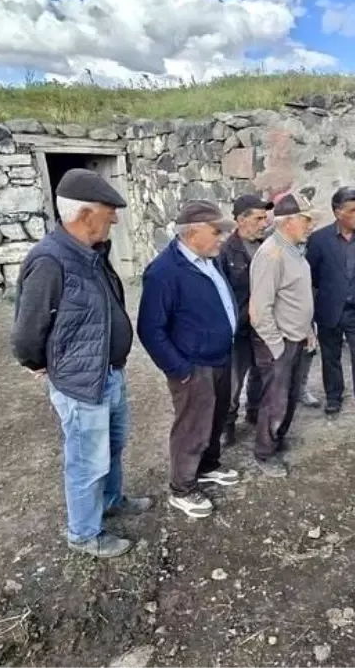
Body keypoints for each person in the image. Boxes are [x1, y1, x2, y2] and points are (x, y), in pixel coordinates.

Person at [10, 168, 148, 559]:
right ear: (86, 214)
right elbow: (26, 332)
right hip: (80, 381)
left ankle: (111, 500)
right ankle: (84, 533)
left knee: (113, 445)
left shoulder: (91, 254)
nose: (115, 219)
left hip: (108, 372)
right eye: (109, 211)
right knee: (87, 460)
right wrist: (38, 363)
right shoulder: (50, 261)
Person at [138, 200, 242, 519]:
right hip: (193, 364)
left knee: (216, 417)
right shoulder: (164, 272)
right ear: (193, 232)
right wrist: (179, 368)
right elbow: (150, 329)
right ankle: (182, 488)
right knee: (192, 426)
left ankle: (207, 466)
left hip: (220, 356)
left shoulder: (210, 259)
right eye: (216, 231)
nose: (223, 237)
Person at [249, 192, 318, 478]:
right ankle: (264, 453)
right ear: (289, 222)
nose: (311, 225)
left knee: (288, 396)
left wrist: (307, 330)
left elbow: (296, 296)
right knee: (274, 400)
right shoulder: (271, 254)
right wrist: (277, 346)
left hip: (294, 338)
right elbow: (258, 310)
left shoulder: (292, 249)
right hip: (278, 343)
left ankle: (276, 439)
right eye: (306, 220)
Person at [306, 187, 355, 434]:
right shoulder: (319, 240)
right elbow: (313, 275)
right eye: (353, 210)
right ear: (338, 213)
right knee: (331, 357)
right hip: (329, 308)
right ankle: (333, 397)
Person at [218, 194, 273, 446]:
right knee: (233, 380)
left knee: (261, 373)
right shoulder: (225, 251)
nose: (264, 223)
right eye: (258, 218)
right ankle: (227, 424)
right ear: (241, 220)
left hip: (263, 325)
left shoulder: (268, 247)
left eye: (265, 218)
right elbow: (220, 293)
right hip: (238, 328)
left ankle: (255, 412)